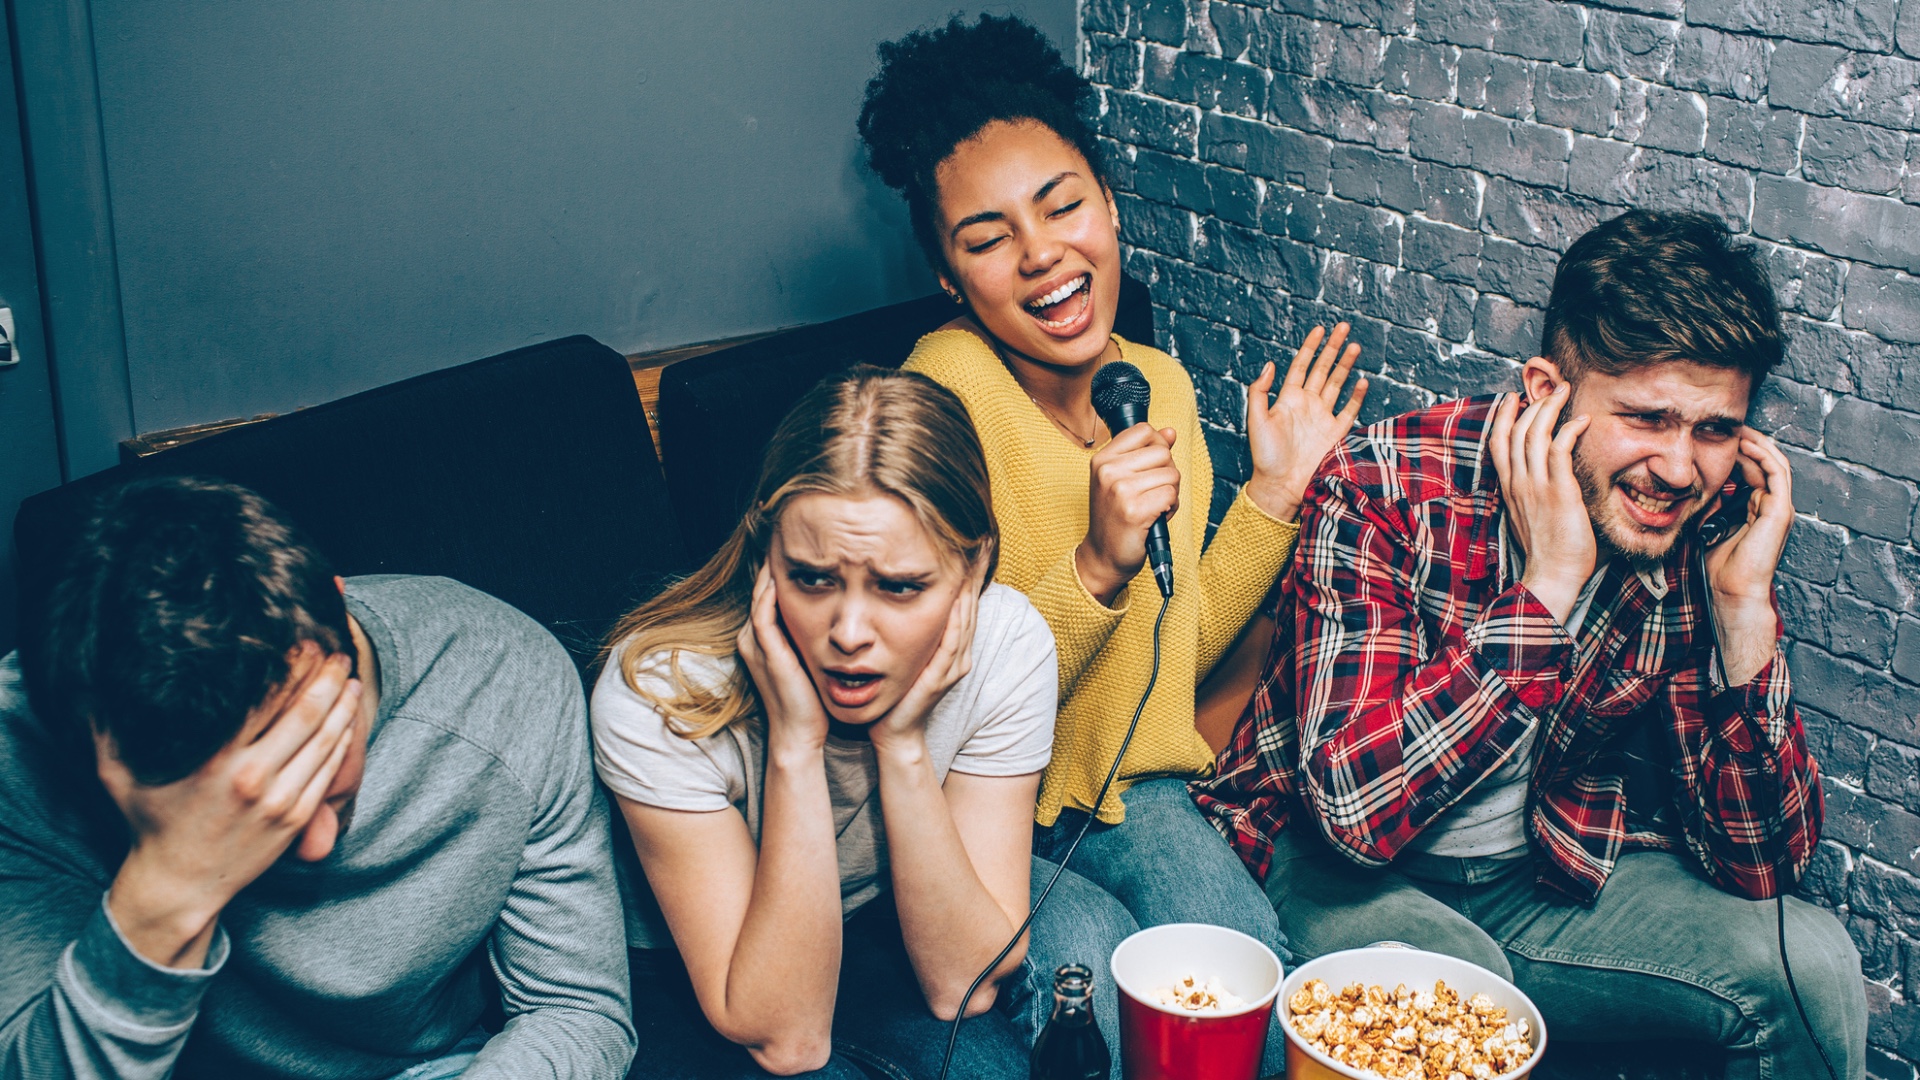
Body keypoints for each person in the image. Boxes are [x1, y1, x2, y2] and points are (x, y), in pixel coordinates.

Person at [1195, 209, 1867, 1077]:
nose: (1676, 468)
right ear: (1548, 390)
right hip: (1323, 863)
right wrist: (1547, 588)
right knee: (1464, 995)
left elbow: (1763, 866)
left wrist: (1744, 612)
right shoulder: (1385, 487)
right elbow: (1352, 817)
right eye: (1648, 418)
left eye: (1713, 429)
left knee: (1811, 968)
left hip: (1536, 870)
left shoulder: (1699, 524)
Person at [856, 16, 1365, 1066]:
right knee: (1089, 958)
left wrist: (1271, 494)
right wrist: (1094, 562)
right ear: (951, 278)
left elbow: (1171, 645)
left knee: (1238, 972)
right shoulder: (939, 397)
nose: (1042, 252)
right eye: (988, 237)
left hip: (1134, 786)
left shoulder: (1158, 384)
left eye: (1063, 206)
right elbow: (935, 688)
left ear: (1109, 207)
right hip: (970, 802)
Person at [0, 475, 636, 1080]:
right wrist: (172, 886)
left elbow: (578, 1013)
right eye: (230, 813)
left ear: (336, 612)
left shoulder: (499, 673)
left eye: (312, 761)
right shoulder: (20, 753)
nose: (314, 845)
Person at [593, 366, 1132, 1079]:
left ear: (972, 571)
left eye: (900, 587)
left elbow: (959, 983)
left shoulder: (1006, 644)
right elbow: (787, 1037)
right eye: (813, 578)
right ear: (766, 559)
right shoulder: (660, 691)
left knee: (1087, 965)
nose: (849, 632)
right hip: (702, 975)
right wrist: (793, 743)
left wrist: (902, 745)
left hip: (883, 915)